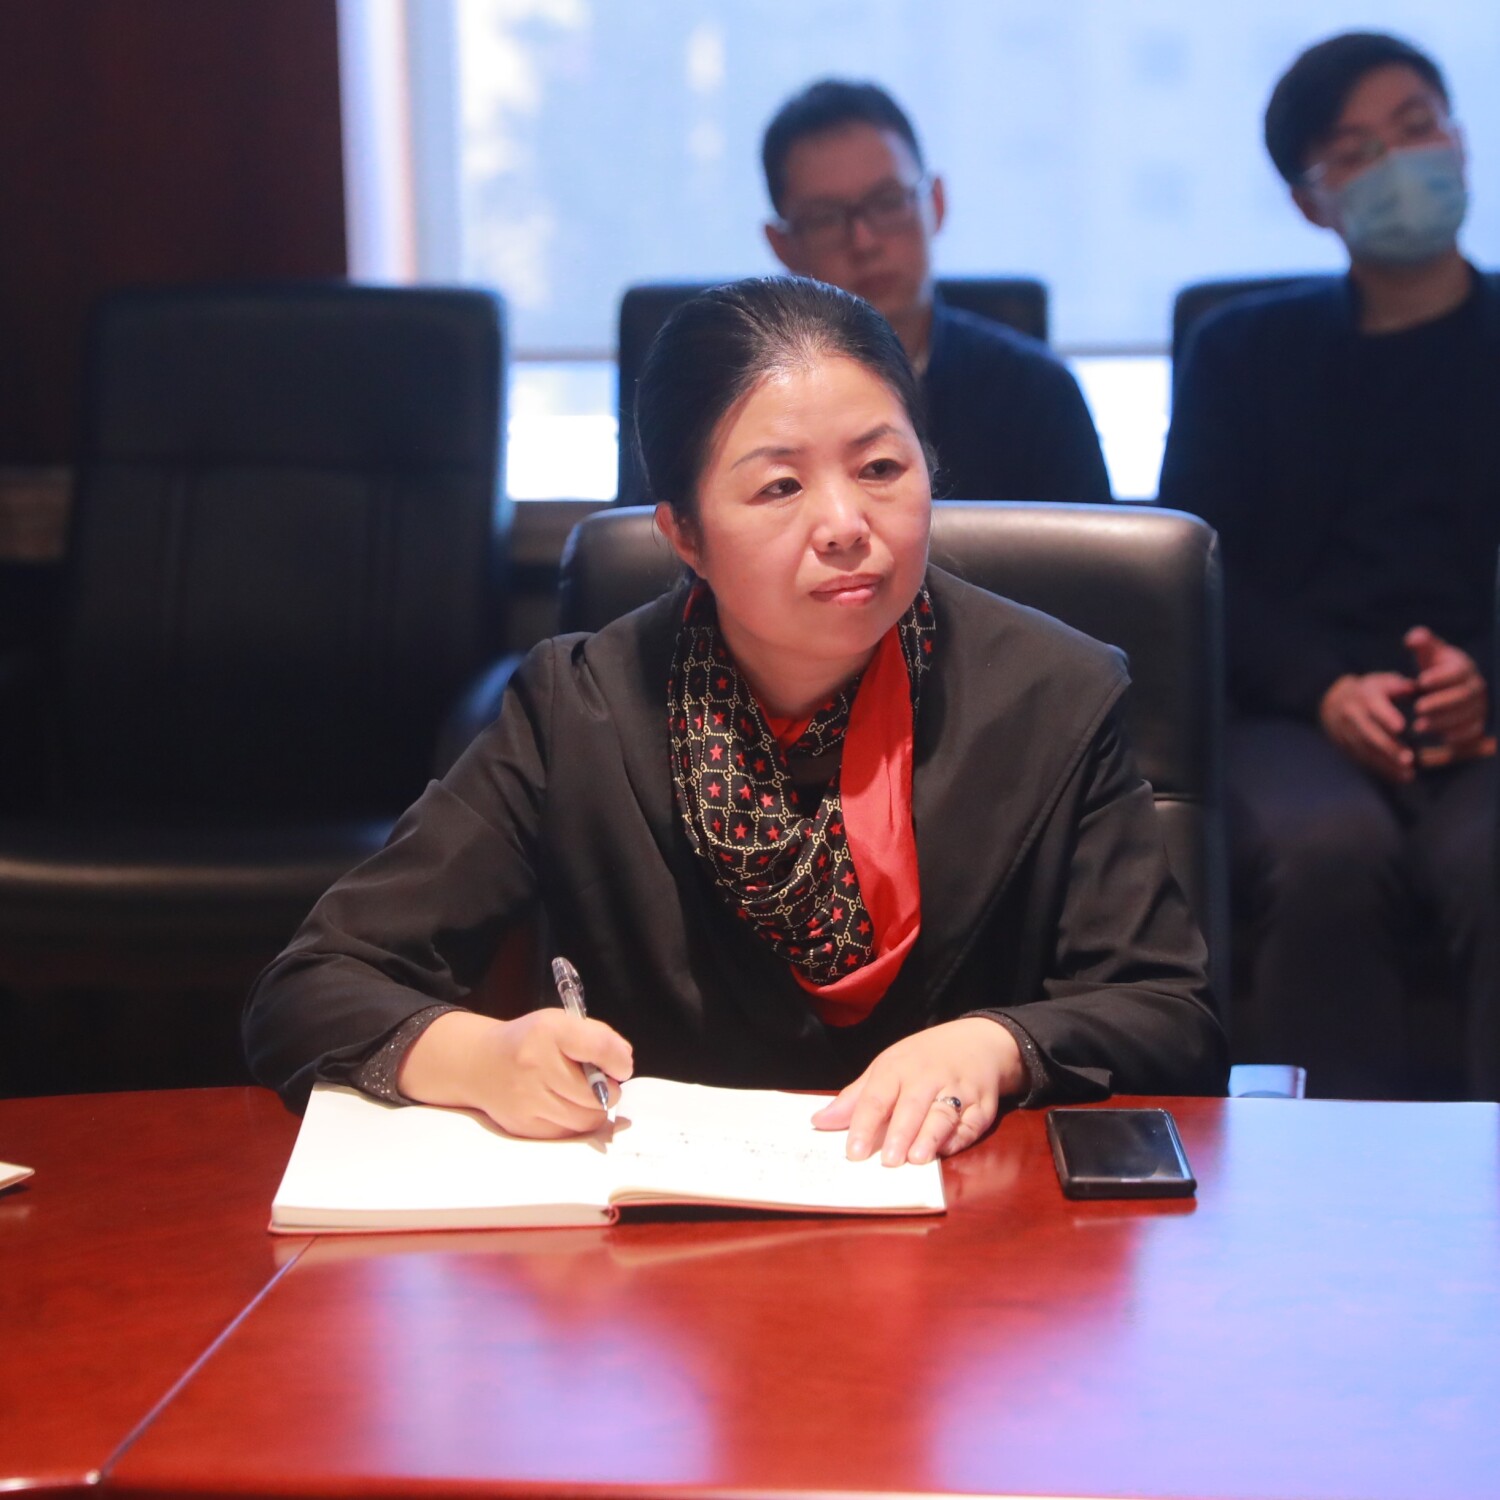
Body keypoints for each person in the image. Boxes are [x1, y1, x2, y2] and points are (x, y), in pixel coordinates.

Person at [246, 277, 1225, 1163]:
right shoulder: (579, 709)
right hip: (666, 1248)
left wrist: (998, 1045)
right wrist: (479, 1056)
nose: (845, 524)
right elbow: (312, 985)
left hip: (967, 1237)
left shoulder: (1054, 692)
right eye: (780, 486)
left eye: (881, 467)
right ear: (683, 534)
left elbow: (1170, 1015)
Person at [1158, 31, 1500, 1099]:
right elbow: (1197, 565)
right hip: (1295, 715)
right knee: (1327, 852)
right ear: (1312, 201)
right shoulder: (1242, 351)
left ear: (1460, 138)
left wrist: (1485, 681)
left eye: (1416, 127)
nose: (1399, 164)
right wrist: (1325, 688)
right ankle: (1326, 1177)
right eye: (1356, 152)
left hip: (1483, 715)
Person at [760, 79, 1111, 505]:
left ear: (937, 204)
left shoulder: (1038, 395)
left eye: (888, 202)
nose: (864, 241)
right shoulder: (754, 411)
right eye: (825, 218)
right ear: (782, 245)